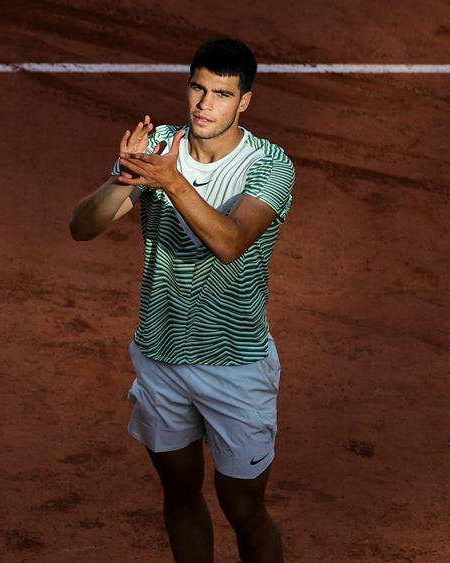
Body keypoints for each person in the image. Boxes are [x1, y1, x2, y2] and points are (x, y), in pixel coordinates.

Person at [69, 38, 295, 563]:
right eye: (197, 87)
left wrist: (170, 182)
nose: (203, 104)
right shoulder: (160, 149)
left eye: (221, 93)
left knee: (243, 509)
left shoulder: (269, 166)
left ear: (244, 102)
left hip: (235, 367)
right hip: (161, 358)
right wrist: (123, 179)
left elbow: (230, 242)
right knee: (179, 494)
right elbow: (82, 227)